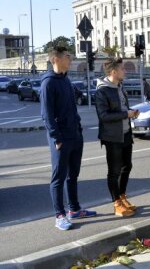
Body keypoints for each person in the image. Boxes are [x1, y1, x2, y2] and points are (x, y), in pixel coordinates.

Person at [40, 46, 97, 231]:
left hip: (75, 135)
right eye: (67, 56)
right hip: (61, 138)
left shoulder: (66, 80)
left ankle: (74, 209)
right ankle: (59, 215)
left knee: (73, 175)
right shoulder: (48, 83)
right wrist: (56, 138)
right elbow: (46, 115)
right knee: (59, 177)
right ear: (55, 59)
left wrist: (79, 129)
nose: (70, 59)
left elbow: (72, 108)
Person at [95, 58, 139, 217]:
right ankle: (116, 203)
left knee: (127, 166)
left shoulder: (120, 87)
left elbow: (122, 108)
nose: (125, 71)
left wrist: (131, 113)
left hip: (126, 133)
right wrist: (124, 114)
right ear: (113, 72)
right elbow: (103, 116)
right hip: (112, 137)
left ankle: (122, 196)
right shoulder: (102, 91)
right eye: (122, 69)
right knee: (114, 171)